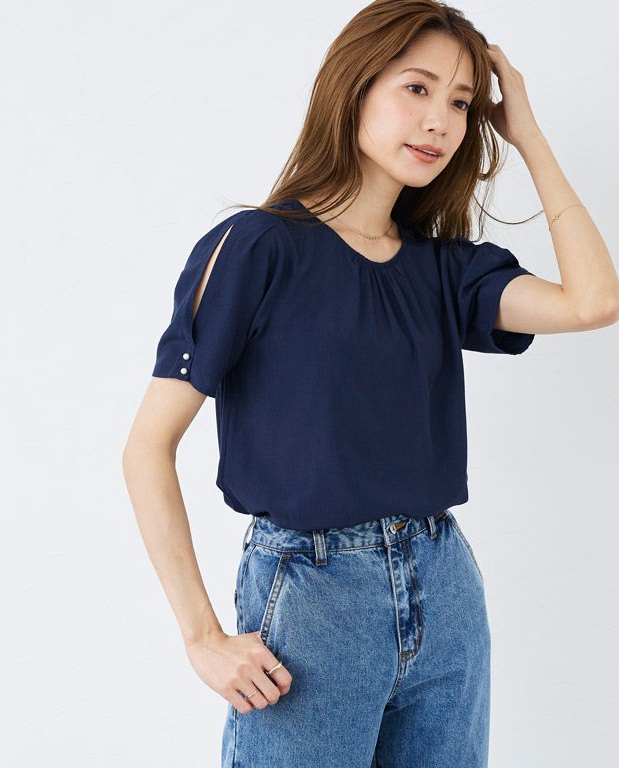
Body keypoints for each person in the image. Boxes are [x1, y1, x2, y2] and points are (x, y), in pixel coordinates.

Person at [122, 1, 619, 766]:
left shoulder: (444, 271)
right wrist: (201, 636)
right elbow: (147, 448)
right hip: (313, 601)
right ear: (354, 87)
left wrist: (527, 134)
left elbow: (594, 301)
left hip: (444, 589)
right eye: (417, 88)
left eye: (461, 103)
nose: (440, 122)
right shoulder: (255, 249)